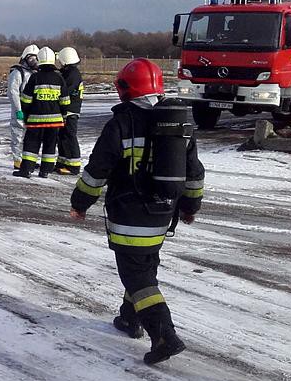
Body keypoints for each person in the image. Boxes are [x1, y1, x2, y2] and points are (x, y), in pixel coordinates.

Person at [70, 58, 204, 365]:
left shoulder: (122, 123)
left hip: (129, 217)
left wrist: (80, 203)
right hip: (162, 216)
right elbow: (195, 172)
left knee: (138, 276)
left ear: (125, 89)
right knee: (144, 267)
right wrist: (189, 206)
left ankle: (164, 336)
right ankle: (129, 318)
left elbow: (97, 171)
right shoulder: (177, 121)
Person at [14, 46, 64, 178]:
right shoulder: (59, 78)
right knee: (50, 146)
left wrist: (25, 114)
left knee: (31, 145)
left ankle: (26, 170)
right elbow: (65, 101)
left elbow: (26, 99)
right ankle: (45, 171)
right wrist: (62, 115)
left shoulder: (35, 78)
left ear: (39, 60)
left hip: (35, 120)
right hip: (54, 122)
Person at [7, 44, 39, 171]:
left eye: (36, 58)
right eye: (31, 58)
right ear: (25, 58)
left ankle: (28, 160)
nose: (34, 61)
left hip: (32, 110)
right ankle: (18, 160)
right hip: (20, 110)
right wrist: (18, 109)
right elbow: (13, 92)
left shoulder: (35, 74)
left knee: (30, 137)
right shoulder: (17, 73)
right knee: (18, 134)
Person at [55, 46, 84, 175]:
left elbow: (65, 90)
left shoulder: (72, 75)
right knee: (62, 136)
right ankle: (62, 161)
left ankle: (74, 165)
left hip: (70, 111)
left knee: (70, 136)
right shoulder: (69, 72)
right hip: (67, 110)